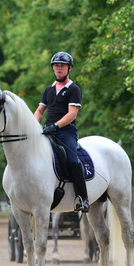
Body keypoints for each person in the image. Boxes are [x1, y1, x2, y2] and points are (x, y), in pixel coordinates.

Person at [34, 52, 89, 213]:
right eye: (56, 65)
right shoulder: (48, 90)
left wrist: (56, 126)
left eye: (62, 66)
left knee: (72, 161)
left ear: (69, 68)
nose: (59, 68)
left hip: (66, 132)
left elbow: (72, 114)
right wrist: (33, 126)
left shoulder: (73, 89)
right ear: (53, 68)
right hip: (48, 131)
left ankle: (83, 198)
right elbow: (39, 110)